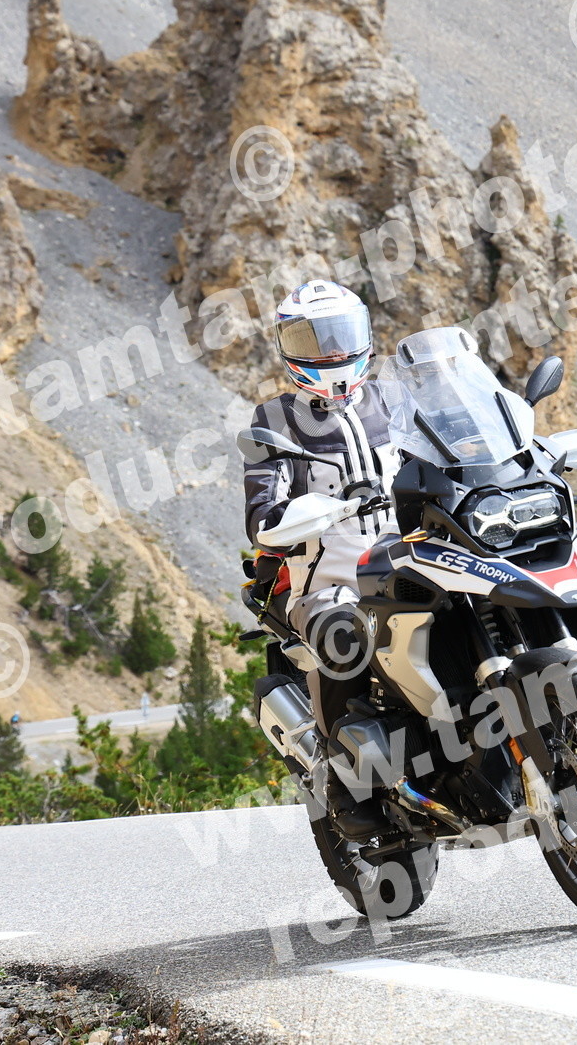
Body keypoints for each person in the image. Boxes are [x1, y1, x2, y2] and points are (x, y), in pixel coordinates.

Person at [243, 280, 395, 835]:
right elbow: (261, 517)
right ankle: (345, 785)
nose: (330, 352)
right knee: (342, 632)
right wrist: (309, 513)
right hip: (327, 581)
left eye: (340, 336)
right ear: (287, 346)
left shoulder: (393, 401)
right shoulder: (273, 421)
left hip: (410, 562)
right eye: (312, 339)